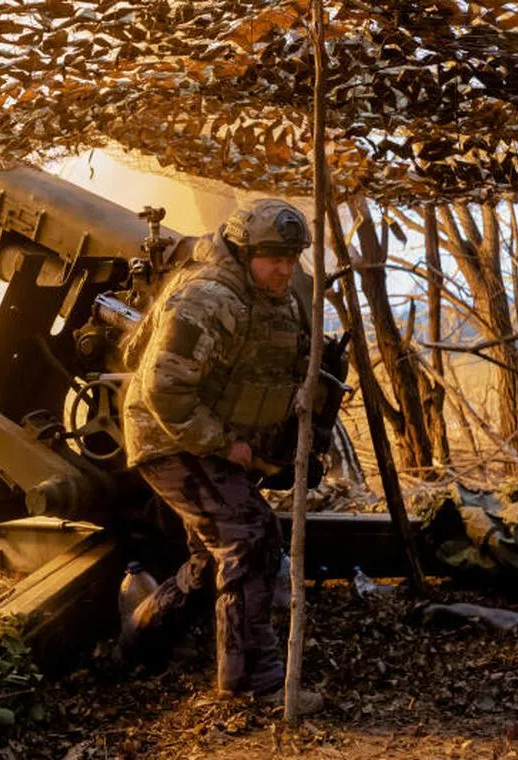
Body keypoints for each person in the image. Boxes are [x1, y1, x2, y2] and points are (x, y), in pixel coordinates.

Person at [120, 197, 322, 712]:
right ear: (243, 249)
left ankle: (140, 637)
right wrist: (225, 444)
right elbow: (165, 391)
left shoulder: (276, 295)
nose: (284, 267)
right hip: (171, 436)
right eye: (273, 256)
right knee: (249, 536)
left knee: (211, 556)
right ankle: (256, 685)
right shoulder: (208, 296)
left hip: (207, 435)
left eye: (292, 256)